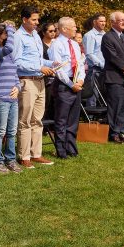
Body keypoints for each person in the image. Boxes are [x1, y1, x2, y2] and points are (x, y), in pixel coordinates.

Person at [13, 6, 56, 168]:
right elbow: (16, 62)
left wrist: (52, 63)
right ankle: (24, 156)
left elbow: (39, 60)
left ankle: (36, 153)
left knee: (37, 119)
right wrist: (38, 68)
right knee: (25, 120)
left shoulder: (36, 37)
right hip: (27, 81)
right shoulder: (18, 37)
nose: (37, 23)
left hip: (39, 81)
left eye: (37, 20)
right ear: (24, 20)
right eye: (34, 20)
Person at [0, 22, 22, 173]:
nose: (8, 36)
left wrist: (18, 88)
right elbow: (9, 47)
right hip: (1, 97)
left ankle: (11, 159)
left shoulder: (8, 56)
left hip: (12, 98)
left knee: (12, 131)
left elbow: (15, 75)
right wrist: (11, 28)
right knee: (0, 130)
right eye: (5, 34)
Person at [48, 17, 85, 158]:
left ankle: (71, 148)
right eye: (74, 26)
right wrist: (71, 84)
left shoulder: (75, 44)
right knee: (62, 119)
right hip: (64, 85)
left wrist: (80, 80)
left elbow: (80, 64)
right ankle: (61, 150)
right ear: (64, 29)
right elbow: (58, 69)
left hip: (76, 82)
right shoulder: (56, 45)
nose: (76, 28)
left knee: (73, 119)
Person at [101, 12, 124, 144]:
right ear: (113, 22)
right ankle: (113, 133)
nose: (123, 22)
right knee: (115, 106)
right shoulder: (107, 37)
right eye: (120, 20)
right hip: (115, 77)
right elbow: (112, 56)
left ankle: (121, 131)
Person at [83, 13, 107, 110]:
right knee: (93, 96)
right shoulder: (89, 35)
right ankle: (91, 120)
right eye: (101, 21)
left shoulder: (106, 35)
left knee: (103, 96)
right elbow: (89, 54)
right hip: (95, 70)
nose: (103, 23)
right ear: (94, 22)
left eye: (105, 21)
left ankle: (102, 121)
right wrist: (102, 65)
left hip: (106, 69)